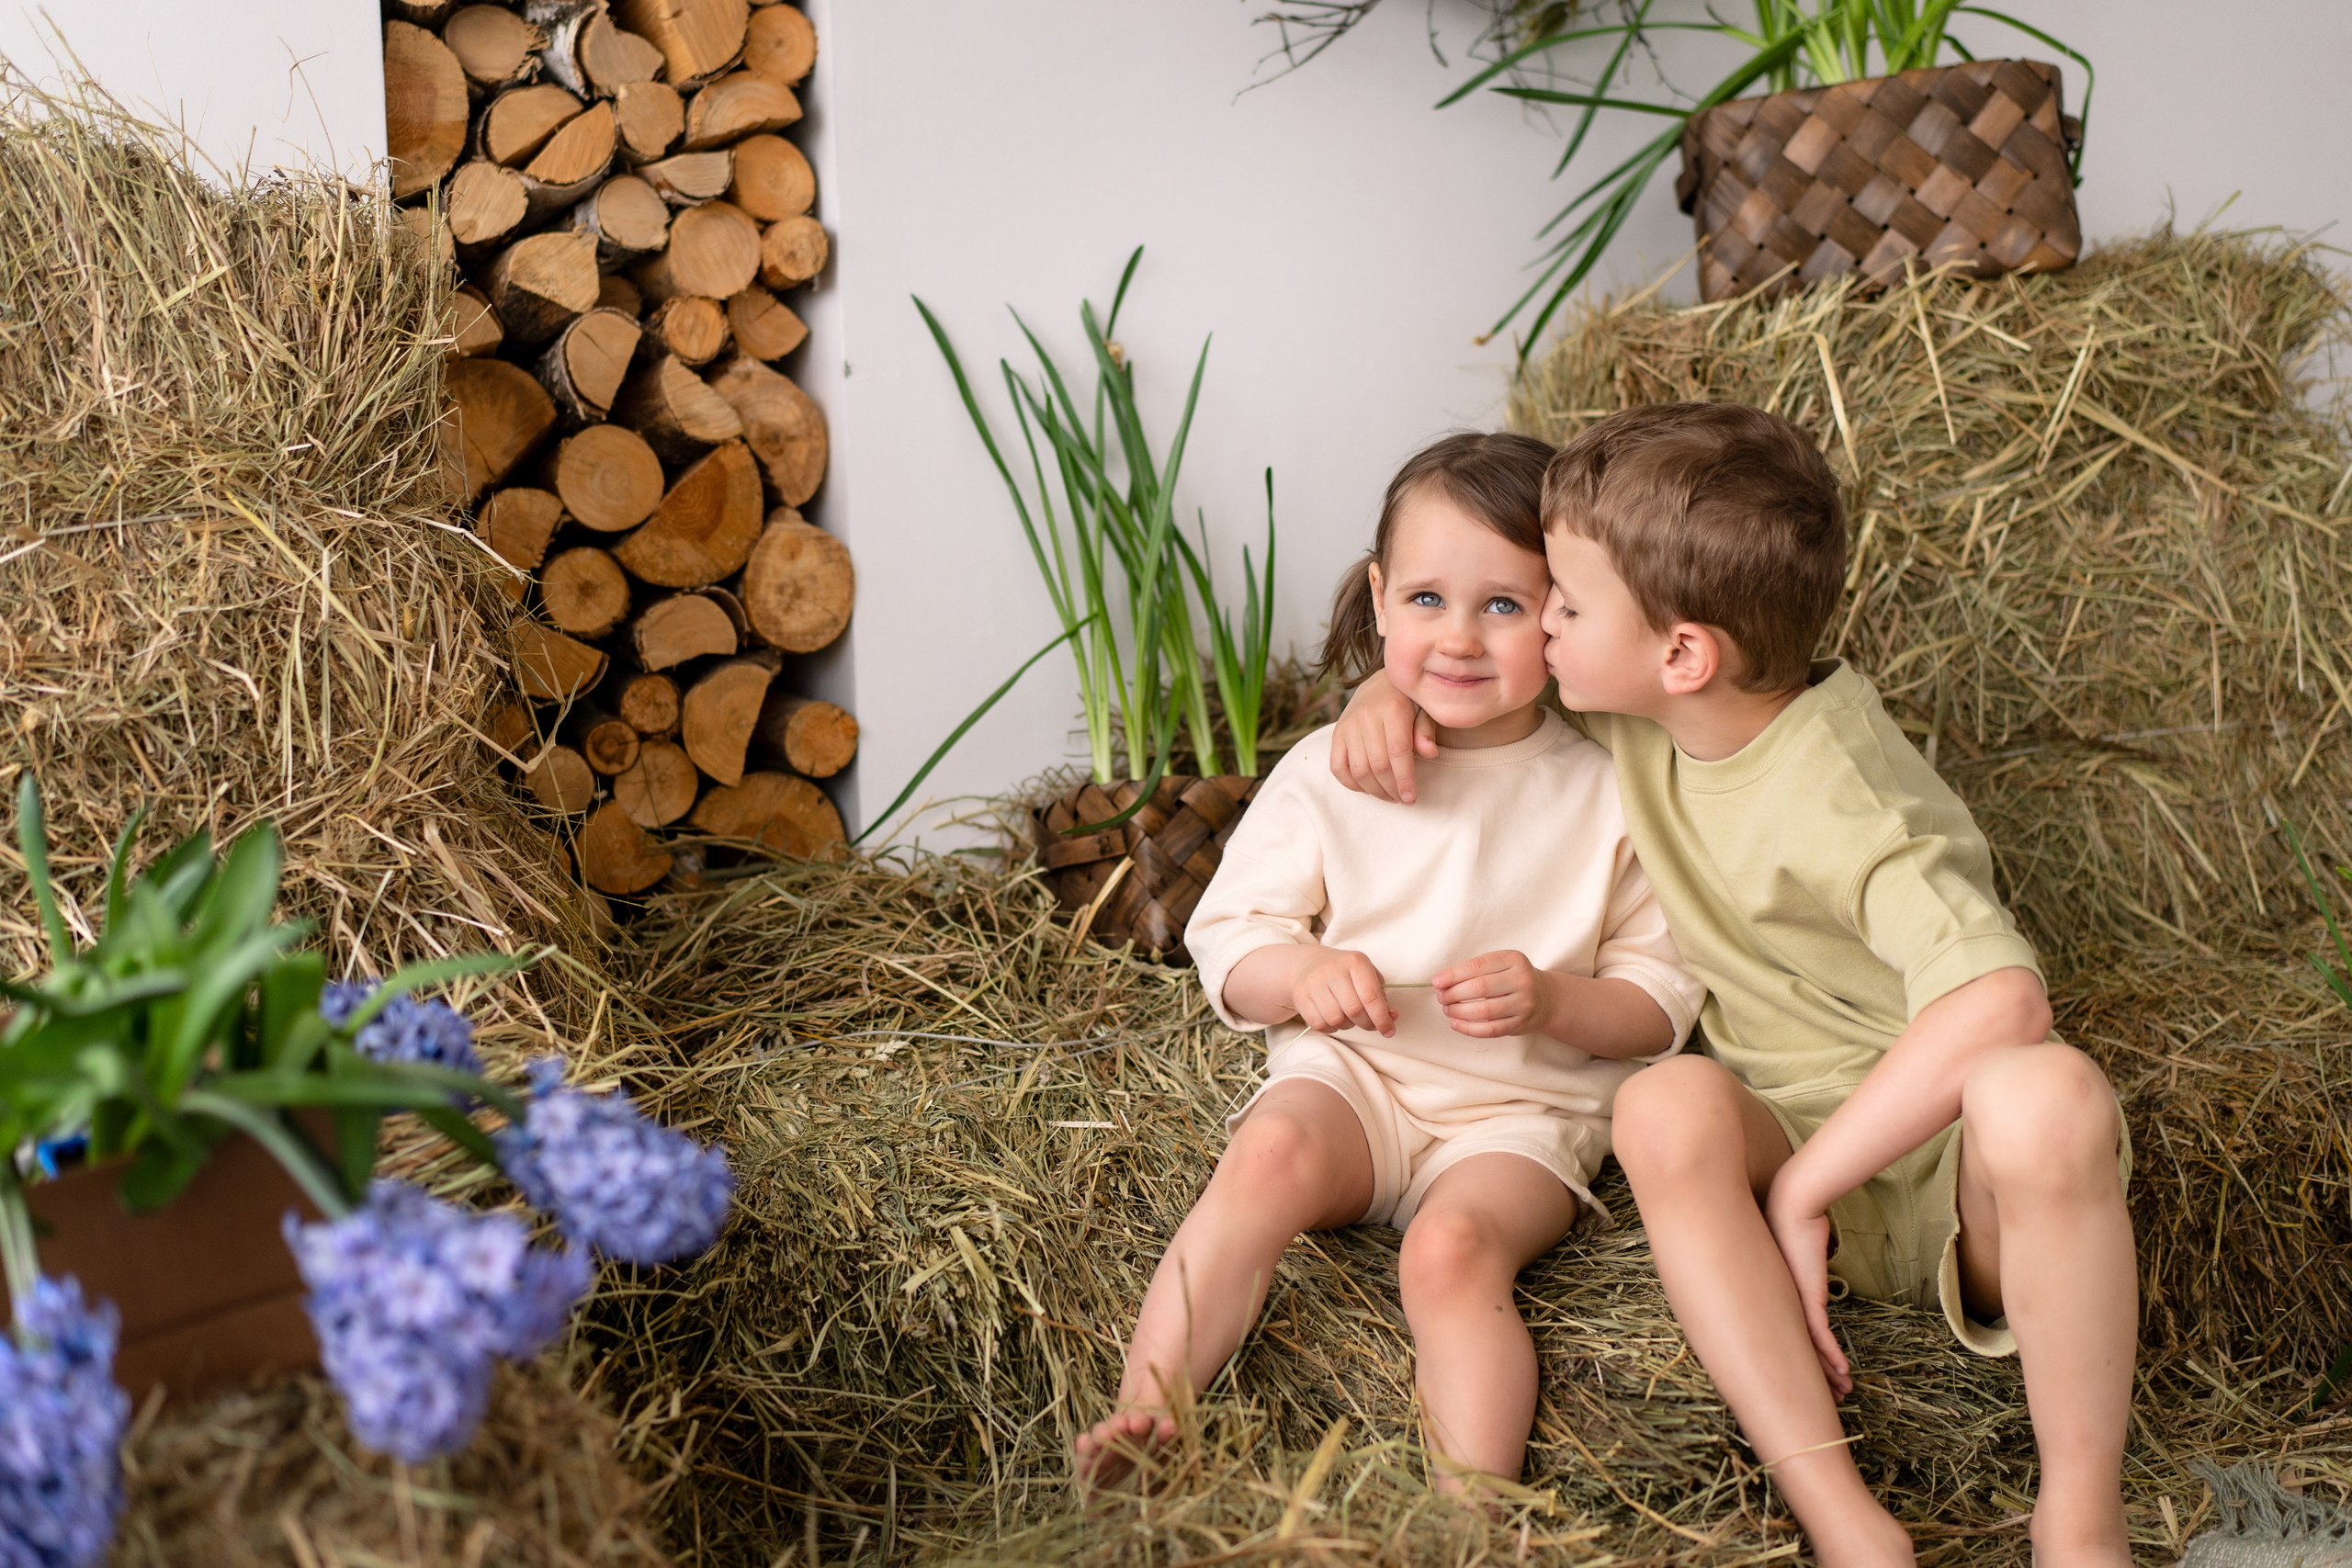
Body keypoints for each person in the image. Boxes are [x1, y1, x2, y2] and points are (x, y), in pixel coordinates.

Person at [1326, 403, 2134, 1566]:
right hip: (1789, 1142)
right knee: (1660, 1101)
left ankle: (2080, 1523)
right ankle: (1844, 1521)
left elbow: (2004, 1002)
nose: (1534, 623)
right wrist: (1381, 694)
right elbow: (1475, 675)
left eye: (1560, 602)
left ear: (1681, 654)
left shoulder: (1846, 790)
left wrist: (1803, 1189)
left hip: (1960, 1191)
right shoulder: (1649, 712)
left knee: (2043, 1093)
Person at [1072, 433, 1704, 1492]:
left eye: (1504, 606)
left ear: (1564, 615)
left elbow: (1660, 1001)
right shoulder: (1330, 769)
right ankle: (1149, 1413)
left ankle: (1469, 1516)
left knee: (1448, 1255)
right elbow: (1229, 937)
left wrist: (1555, 1000)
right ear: (1376, 597)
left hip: (1518, 1117)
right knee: (1264, 1160)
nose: (1457, 638)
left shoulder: (1607, 794)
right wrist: (1301, 976)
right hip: (1357, 1083)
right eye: (1424, 599)